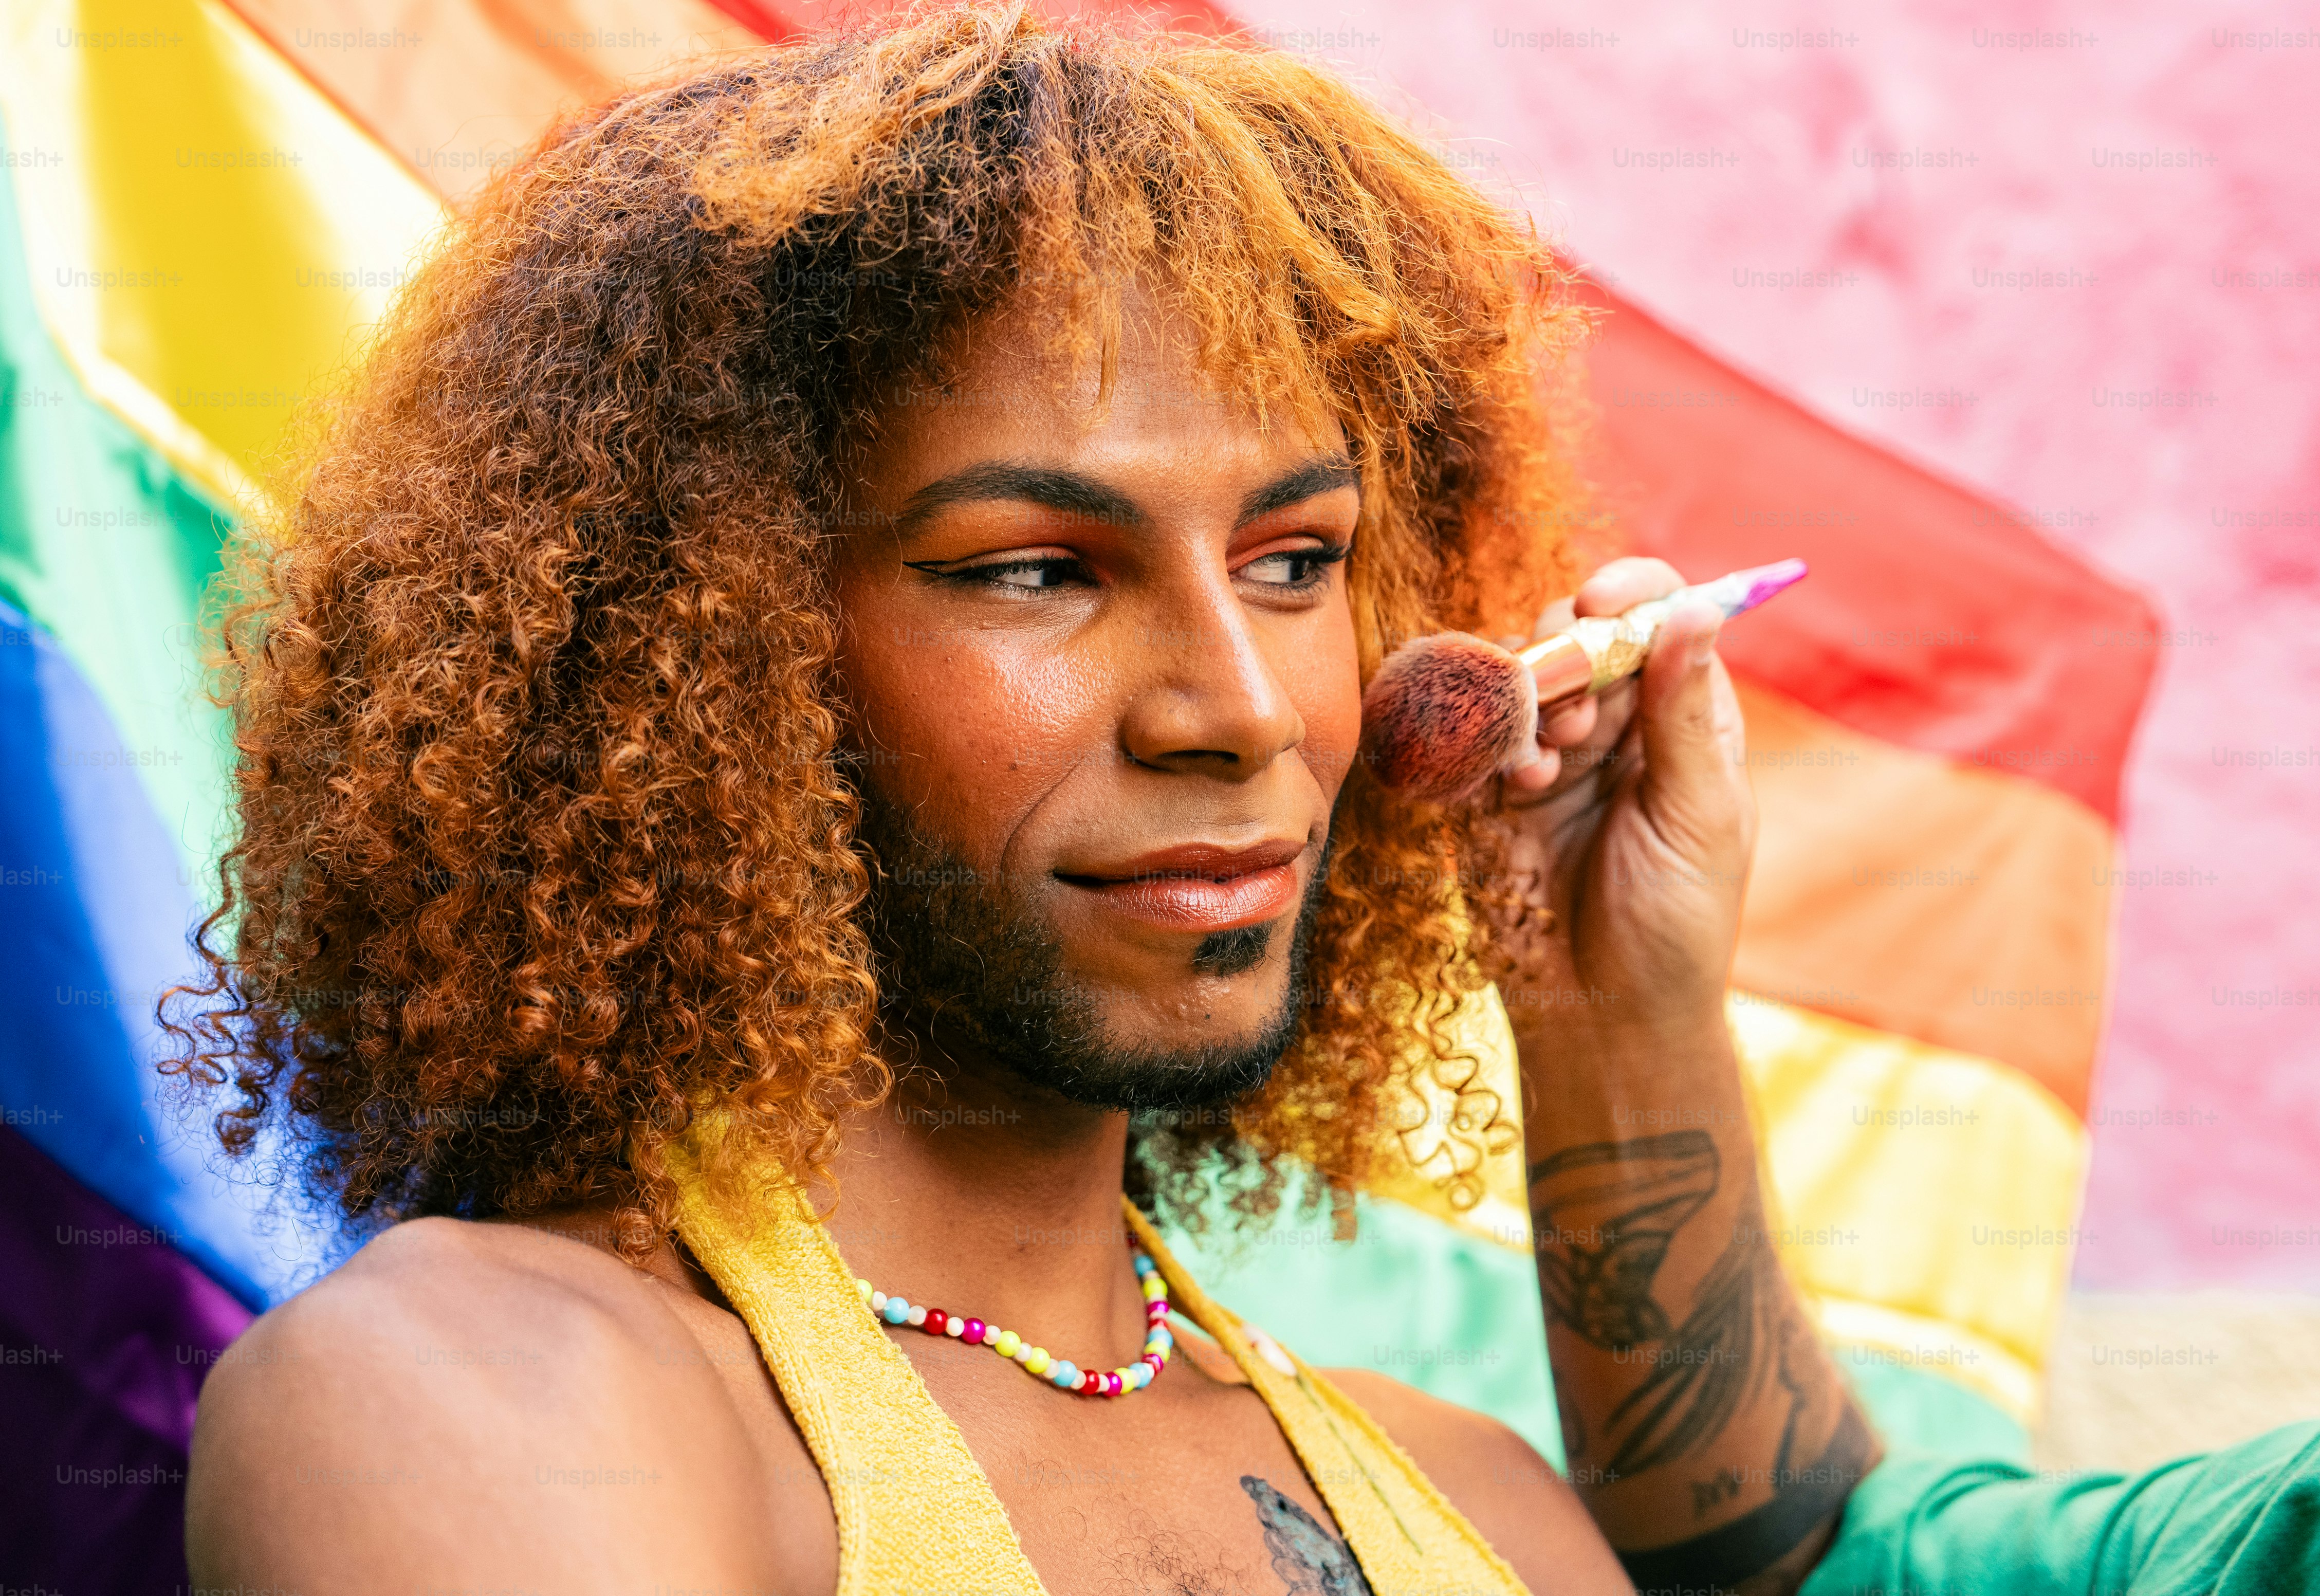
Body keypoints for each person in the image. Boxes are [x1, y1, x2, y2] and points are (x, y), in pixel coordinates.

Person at [168, 10, 1876, 1594]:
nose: (1244, 706)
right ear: (702, 662)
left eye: (1296, 559)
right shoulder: (484, 1393)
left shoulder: (1491, 1506)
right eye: (1038, 570)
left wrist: (1608, 1008)